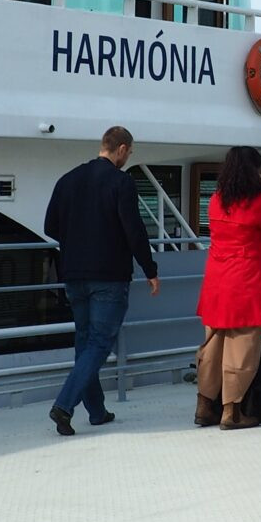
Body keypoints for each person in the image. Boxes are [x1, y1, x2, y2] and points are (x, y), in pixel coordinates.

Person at [44, 126, 160, 436]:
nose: (128, 157)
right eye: (129, 152)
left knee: (85, 342)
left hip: (73, 273)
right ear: (121, 149)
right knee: (98, 343)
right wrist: (150, 270)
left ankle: (96, 411)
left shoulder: (67, 180)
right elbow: (134, 231)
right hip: (109, 275)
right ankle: (64, 405)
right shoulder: (121, 182)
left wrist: (77, 240)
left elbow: (50, 225)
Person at [193, 146, 261, 431]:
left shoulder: (215, 201)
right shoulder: (258, 204)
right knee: (242, 347)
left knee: (212, 344)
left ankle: (204, 405)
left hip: (217, 279)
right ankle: (231, 412)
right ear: (254, 172)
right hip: (247, 280)